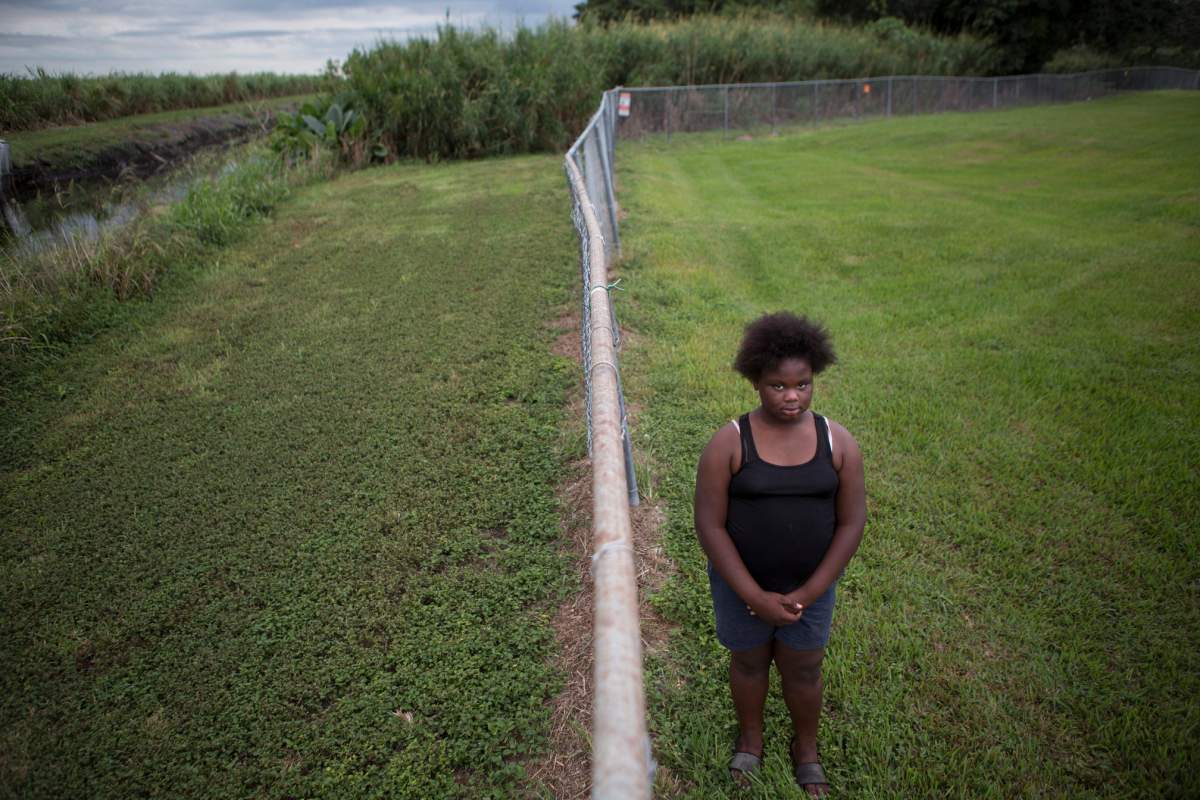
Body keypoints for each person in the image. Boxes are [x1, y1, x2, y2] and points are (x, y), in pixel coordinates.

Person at [693, 312, 867, 797]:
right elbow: (709, 525)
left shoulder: (837, 441)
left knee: (804, 666)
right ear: (755, 382)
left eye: (803, 384)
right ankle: (751, 737)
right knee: (748, 662)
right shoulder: (730, 442)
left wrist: (810, 592)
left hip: (809, 587)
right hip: (741, 586)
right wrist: (752, 593)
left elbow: (852, 521)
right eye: (777, 386)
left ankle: (805, 748)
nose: (792, 396)